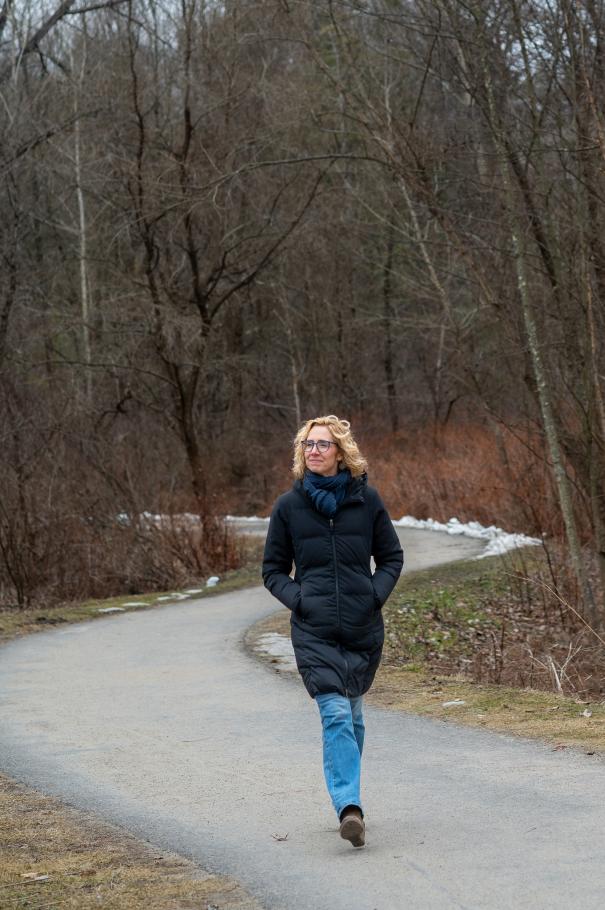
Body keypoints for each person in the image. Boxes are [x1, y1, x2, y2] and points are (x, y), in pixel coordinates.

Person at [262, 414, 404, 848]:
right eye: (308, 445)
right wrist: (301, 600)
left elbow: (392, 557)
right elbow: (272, 571)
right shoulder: (289, 508)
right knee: (337, 714)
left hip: (362, 628)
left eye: (323, 444)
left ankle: (349, 793)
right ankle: (350, 807)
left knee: (355, 716)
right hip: (314, 631)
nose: (314, 451)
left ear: (341, 452)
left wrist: (372, 596)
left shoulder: (368, 502)